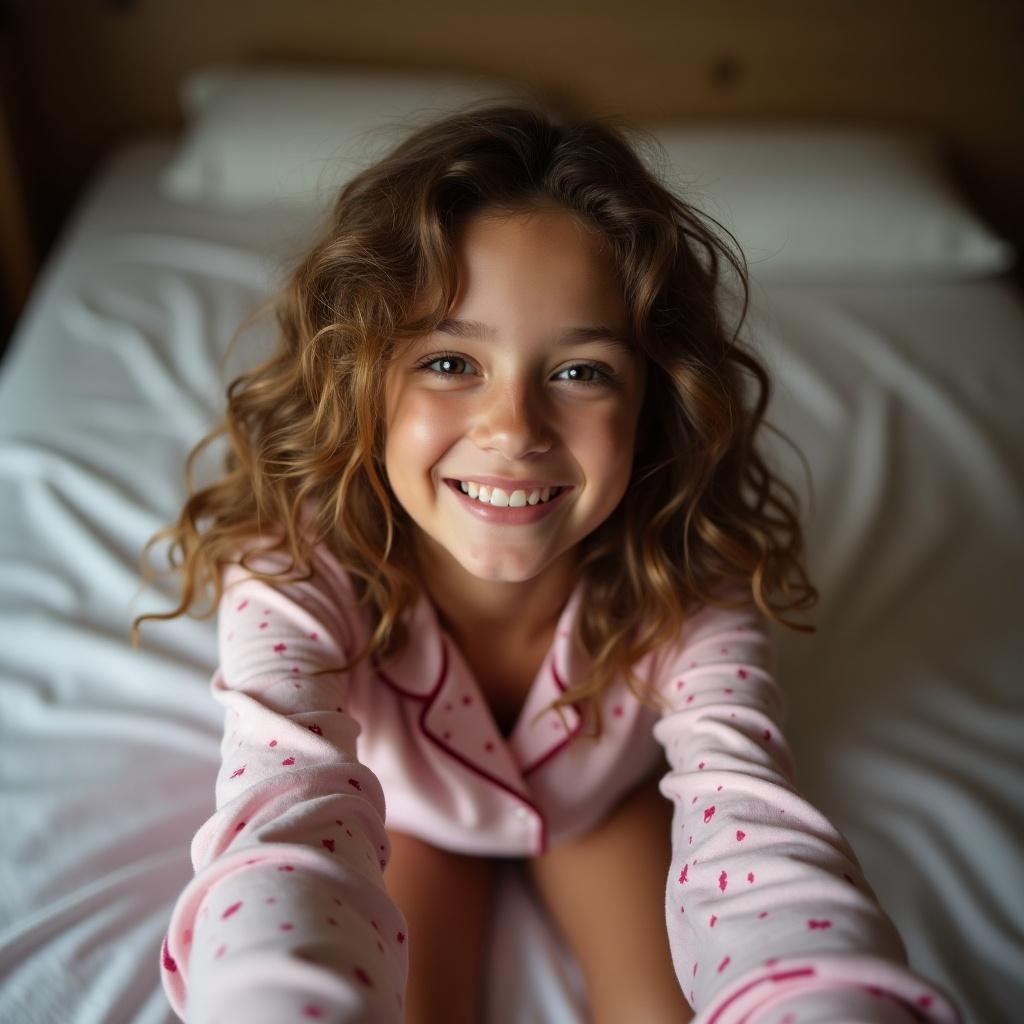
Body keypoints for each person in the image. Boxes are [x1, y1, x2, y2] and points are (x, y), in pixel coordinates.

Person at [134, 99, 963, 1023]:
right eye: (450, 361)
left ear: (654, 402)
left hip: (598, 808)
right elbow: (282, 819)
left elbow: (754, 827)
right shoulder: (296, 570)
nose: (514, 430)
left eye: (580, 372)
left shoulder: (687, 576)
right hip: (409, 817)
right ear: (360, 375)